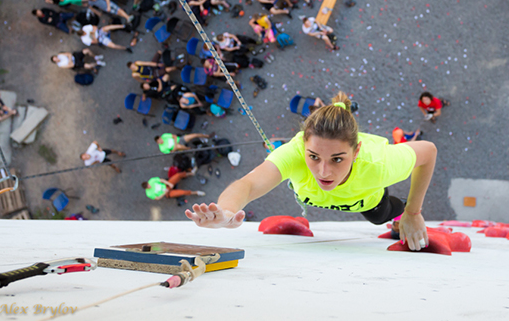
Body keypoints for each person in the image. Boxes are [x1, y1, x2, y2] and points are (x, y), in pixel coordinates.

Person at [186, 93, 438, 253]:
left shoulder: (379, 164)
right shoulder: (294, 153)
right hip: (358, 197)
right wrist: (227, 211)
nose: (324, 172)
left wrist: (413, 212)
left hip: (370, 201)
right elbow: (249, 184)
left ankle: (401, 209)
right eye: (313, 156)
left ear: (357, 150)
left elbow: (428, 151)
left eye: (337, 159)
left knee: (380, 216)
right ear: (303, 145)